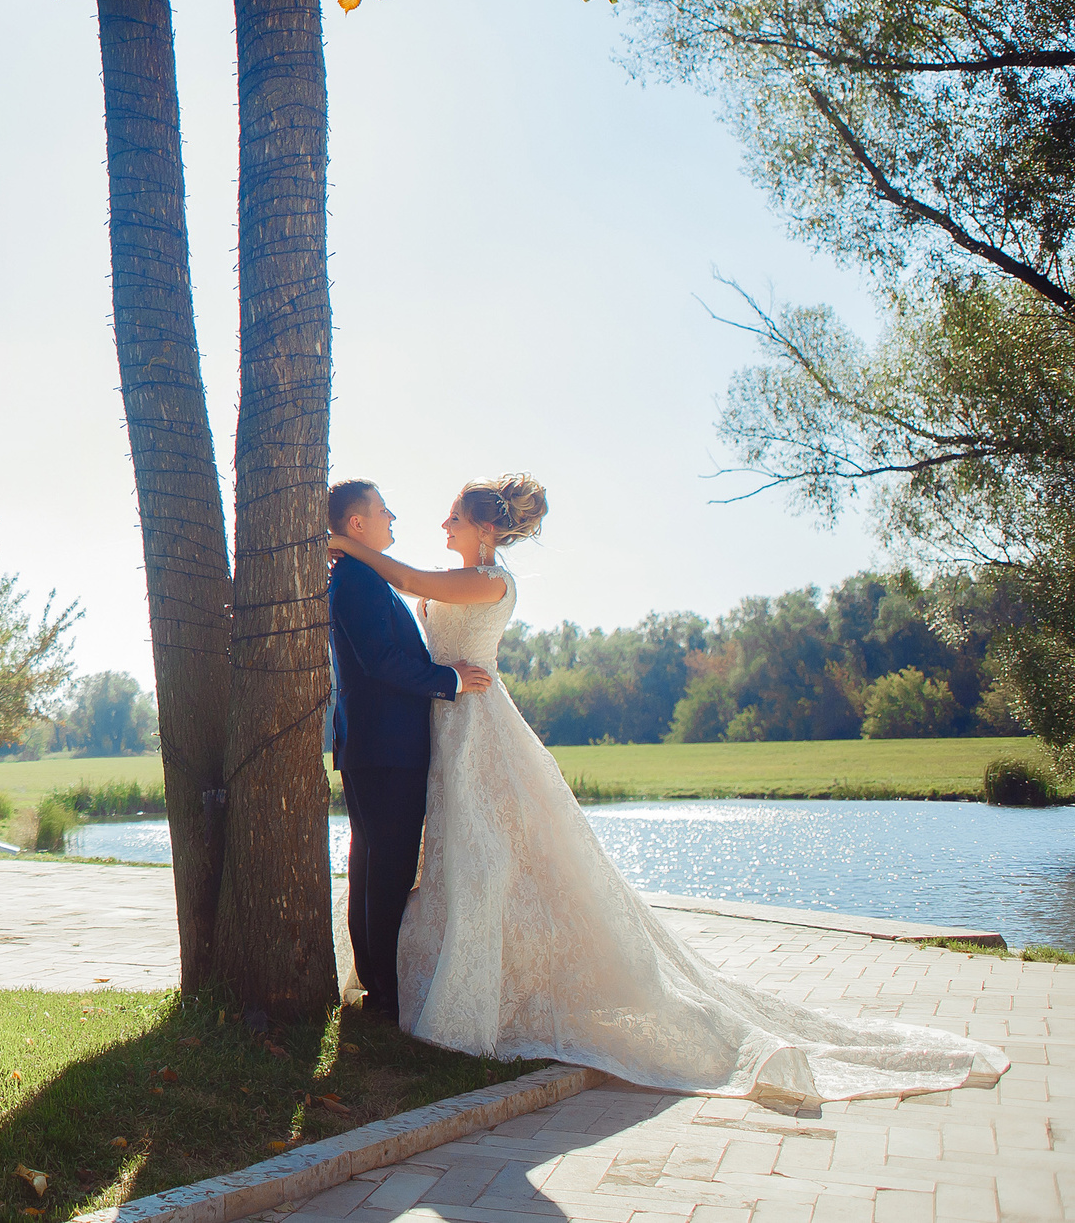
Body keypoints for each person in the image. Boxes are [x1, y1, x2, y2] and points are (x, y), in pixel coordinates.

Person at [328, 471, 1005, 1103]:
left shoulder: (485, 582)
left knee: (490, 856)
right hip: (445, 729)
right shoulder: (451, 578)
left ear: (481, 529)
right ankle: (430, 984)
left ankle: (467, 992)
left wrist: (345, 548)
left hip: (475, 721)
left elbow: (414, 577)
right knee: (455, 859)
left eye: (451, 516)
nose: (437, 521)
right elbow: (415, 606)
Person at [327, 477, 492, 1026]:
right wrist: (450, 679)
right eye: (382, 510)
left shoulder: (363, 575)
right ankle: (384, 995)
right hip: (385, 745)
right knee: (385, 867)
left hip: (376, 743)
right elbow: (380, 661)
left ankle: (379, 987)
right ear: (357, 524)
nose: (392, 517)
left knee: (375, 864)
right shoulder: (356, 579)